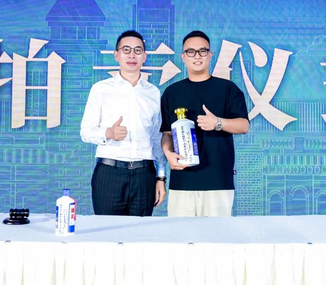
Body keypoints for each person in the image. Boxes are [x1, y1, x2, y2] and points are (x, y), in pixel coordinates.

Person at [160, 30, 249, 217]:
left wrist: (217, 122)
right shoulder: (172, 92)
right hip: (182, 181)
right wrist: (168, 154)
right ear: (183, 57)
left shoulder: (227, 89)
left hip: (218, 181)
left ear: (210, 55)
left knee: (217, 235)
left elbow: (243, 125)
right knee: (179, 234)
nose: (197, 56)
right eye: (191, 52)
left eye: (202, 51)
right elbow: (167, 133)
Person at [80, 30, 167, 216]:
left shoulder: (153, 93)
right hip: (109, 173)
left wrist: (161, 177)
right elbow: (86, 132)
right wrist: (108, 133)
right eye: (126, 50)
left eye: (137, 50)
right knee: (108, 231)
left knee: (140, 232)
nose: (132, 55)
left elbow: (156, 139)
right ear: (116, 55)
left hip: (144, 175)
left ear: (144, 56)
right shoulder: (100, 89)